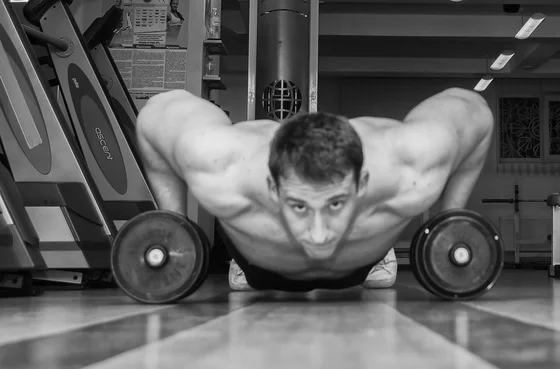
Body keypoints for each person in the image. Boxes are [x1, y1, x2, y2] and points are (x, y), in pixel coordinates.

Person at [135, 87, 493, 292]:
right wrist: (174, 225)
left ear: (362, 184)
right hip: (257, 262)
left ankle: (377, 255)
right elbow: (155, 116)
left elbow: (474, 110)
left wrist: (451, 220)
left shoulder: (410, 164)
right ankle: (241, 263)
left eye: (336, 203)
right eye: (300, 206)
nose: (319, 235)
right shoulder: (222, 166)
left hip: (361, 259)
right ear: (272, 189)